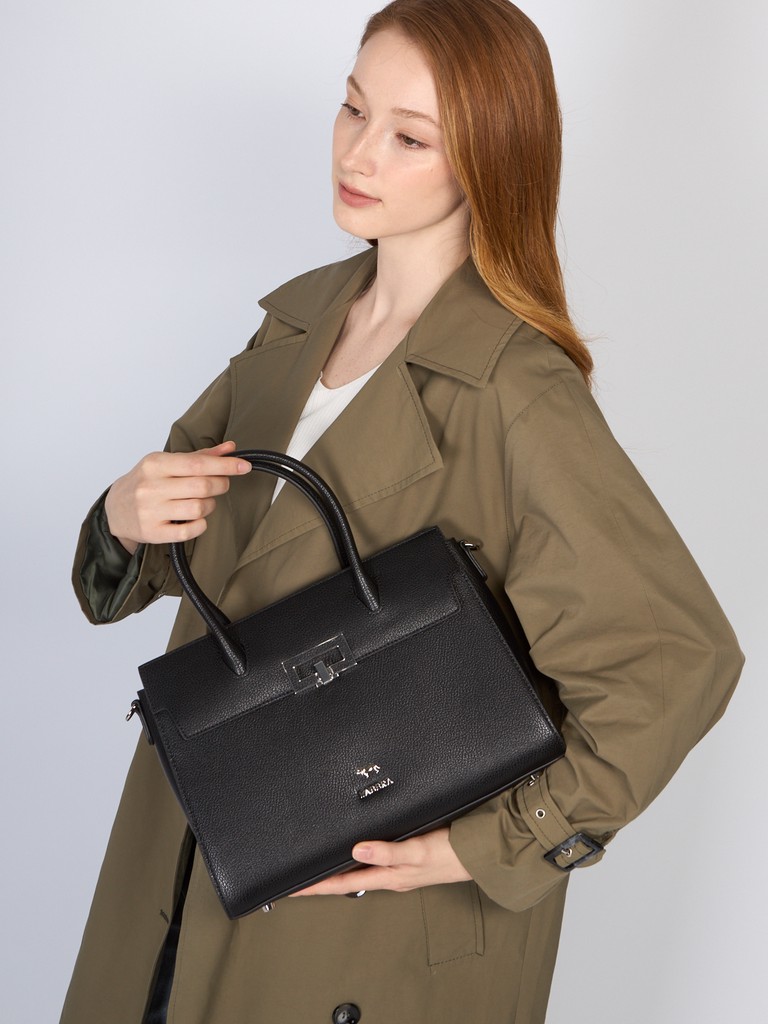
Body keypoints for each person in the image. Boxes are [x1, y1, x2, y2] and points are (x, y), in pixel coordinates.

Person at [61, 1, 744, 1022]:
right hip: (192, 847)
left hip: (358, 929)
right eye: (352, 109)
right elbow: (156, 573)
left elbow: (675, 658)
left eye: (410, 137)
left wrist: (493, 842)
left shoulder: (515, 391)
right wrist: (124, 514)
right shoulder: (295, 327)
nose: (359, 153)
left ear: (489, 160)